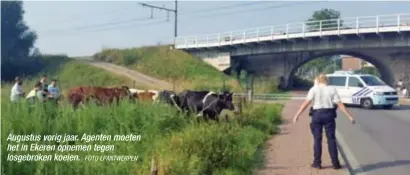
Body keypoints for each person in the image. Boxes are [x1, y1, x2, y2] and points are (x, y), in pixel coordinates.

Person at [293, 73, 355, 170]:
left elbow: (306, 103)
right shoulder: (332, 89)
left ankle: (317, 163)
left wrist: (297, 115)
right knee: (331, 139)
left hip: (316, 115)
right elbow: (339, 104)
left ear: (317, 80)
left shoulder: (313, 89)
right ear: (327, 80)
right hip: (329, 115)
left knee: (317, 140)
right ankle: (335, 164)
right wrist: (349, 116)